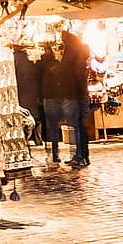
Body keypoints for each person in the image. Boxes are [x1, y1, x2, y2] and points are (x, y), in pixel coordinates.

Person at [39, 40, 84, 169]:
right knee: (72, 125)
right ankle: (76, 154)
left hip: (52, 96)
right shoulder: (65, 63)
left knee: (53, 127)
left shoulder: (44, 64)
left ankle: (55, 154)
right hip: (64, 96)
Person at [60, 31, 94, 167]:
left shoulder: (73, 58)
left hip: (74, 96)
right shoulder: (79, 56)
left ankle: (80, 156)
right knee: (79, 125)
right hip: (79, 95)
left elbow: (74, 78)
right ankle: (81, 155)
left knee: (78, 126)